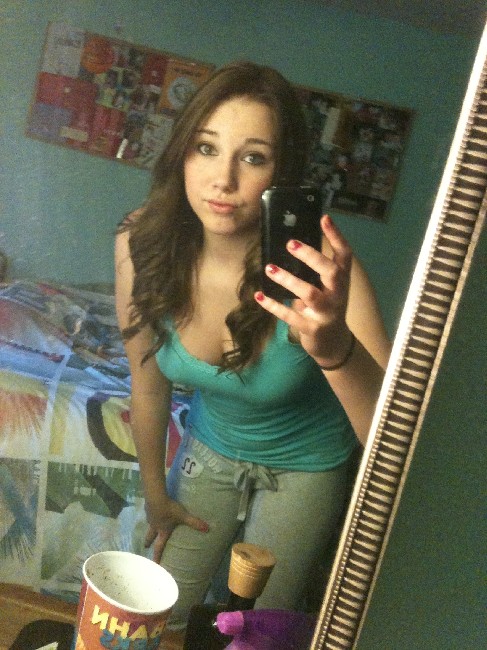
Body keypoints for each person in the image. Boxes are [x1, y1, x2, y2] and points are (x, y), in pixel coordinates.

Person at [115, 61, 391, 631]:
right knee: (158, 612)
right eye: (206, 148)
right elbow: (148, 381)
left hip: (307, 468)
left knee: (258, 629)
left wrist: (334, 350)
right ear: (182, 153)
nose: (223, 180)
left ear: (281, 173)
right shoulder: (141, 244)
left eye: (253, 157)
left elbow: (392, 439)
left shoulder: (323, 271)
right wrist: (154, 495)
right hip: (210, 448)